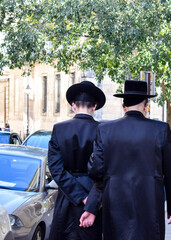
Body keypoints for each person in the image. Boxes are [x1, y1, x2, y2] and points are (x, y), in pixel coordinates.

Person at [80, 80, 171, 240]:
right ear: (146, 105)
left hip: (115, 205)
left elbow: (95, 170)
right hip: (150, 205)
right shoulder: (160, 129)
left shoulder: (105, 130)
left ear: (123, 106)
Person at [48, 81, 106, 240]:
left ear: (73, 106)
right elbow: (106, 170)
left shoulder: (59, 129)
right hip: (95, 202)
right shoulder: (104, 131)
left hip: (67, 200)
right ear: (94, 106)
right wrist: (89, 199)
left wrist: (80, 195)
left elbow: (56, 170)